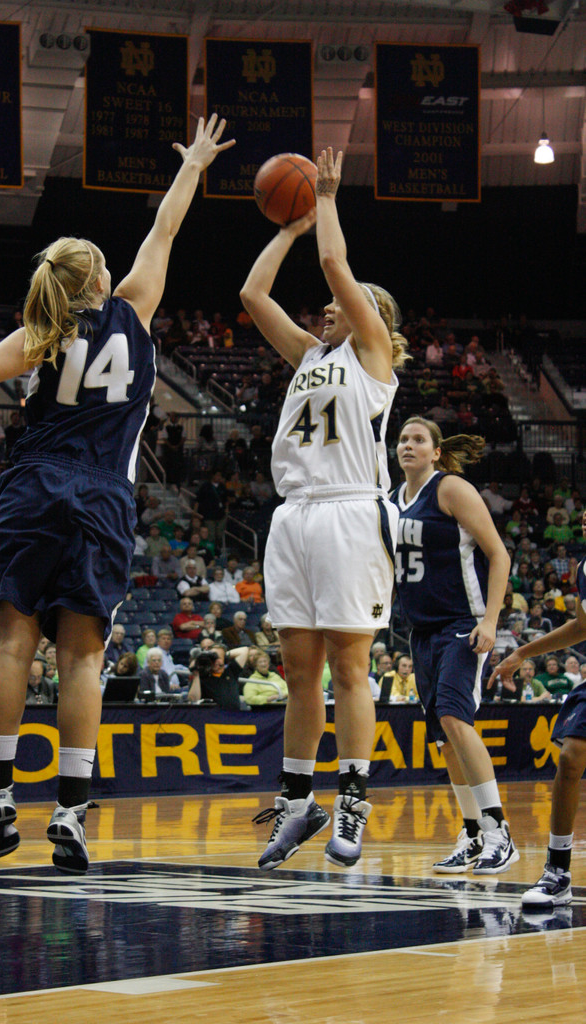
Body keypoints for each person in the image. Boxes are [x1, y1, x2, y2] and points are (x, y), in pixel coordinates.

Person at [0, 115, 233, 876]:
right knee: (83, 657)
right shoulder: (134, 310)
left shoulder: (44, 330)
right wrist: (192, 165)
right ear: (101, 280)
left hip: (33, 486)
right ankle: (72, 813)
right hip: (102, 493)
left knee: (13, 639)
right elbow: (166, 228)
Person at [240, 147, 407, 870]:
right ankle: (298, 801)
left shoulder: (373, 355)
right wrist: (288, 228)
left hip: (349, 512)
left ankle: (354, 799)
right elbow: (253, 295)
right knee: (298, 671)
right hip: (294, 515)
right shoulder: (310, 354)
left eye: (346, 302)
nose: (330, 304)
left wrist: (328, 200)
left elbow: (337, 266)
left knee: (348, 666)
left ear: (375, 317)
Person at [392, 417, 518, 874]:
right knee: (444, 738)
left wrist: (490, 620)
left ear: (436, 452)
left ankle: (499, 832)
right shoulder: (391, 500)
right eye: (403, 439)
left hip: (463, 624)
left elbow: (498, 553)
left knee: (454, 716)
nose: (408, 445)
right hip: (422, 631)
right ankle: (472, 833)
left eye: (418, 439)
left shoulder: (450, 489)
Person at [490, 516, 586, 909]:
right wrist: (522, 653)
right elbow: (581, 626)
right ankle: (558, 872)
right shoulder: (584, 568)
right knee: (570, 757)